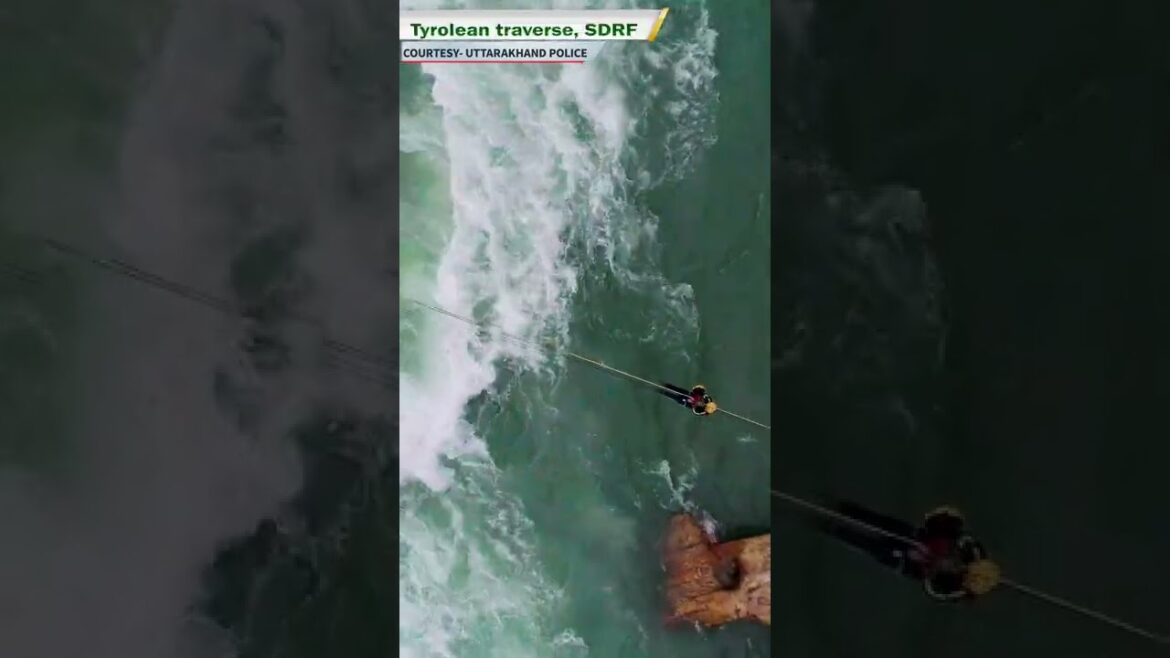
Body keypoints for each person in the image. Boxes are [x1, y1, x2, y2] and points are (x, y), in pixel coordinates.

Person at [814, 501, 1001, 601]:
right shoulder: (971, 549)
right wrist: (940, 546)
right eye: (960, 566)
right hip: (918, 537)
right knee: (882, 522)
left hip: (909, 564)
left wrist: (931, 567)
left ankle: (833, 530)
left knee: (871, 546)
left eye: (962, 574)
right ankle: (846, 509)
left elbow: (932, 590)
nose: (957, 567)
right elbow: (957, 533)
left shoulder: (956, 589)